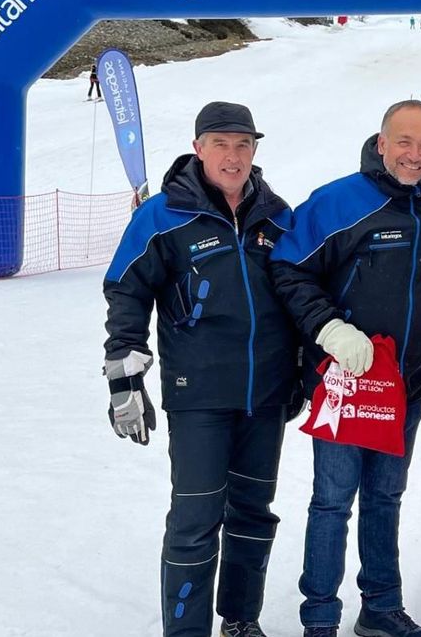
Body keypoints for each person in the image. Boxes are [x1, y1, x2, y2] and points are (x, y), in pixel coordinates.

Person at [270, 100, 421, 637]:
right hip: (344, 386)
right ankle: (320, 619)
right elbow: (287, 269)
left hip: (406, 388)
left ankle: (380, 607)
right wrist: (329, 329)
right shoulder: (338, 203)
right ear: (381, 143)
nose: (414, 154)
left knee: (385, 497)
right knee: (333, 501)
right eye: (403, 141)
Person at [103, 101, 300, 637]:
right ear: (198, 149)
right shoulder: (163, 215)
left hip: (265, 396)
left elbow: (300, 294)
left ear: (255, 150)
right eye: (220, 144)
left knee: (254, 514)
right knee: (195, 521)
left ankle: (241, 620)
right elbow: (126, 289)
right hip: (199, 397)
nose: (232, 157)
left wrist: (302, 370)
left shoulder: (277, 215)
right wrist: (124, 375)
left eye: (243, 144)